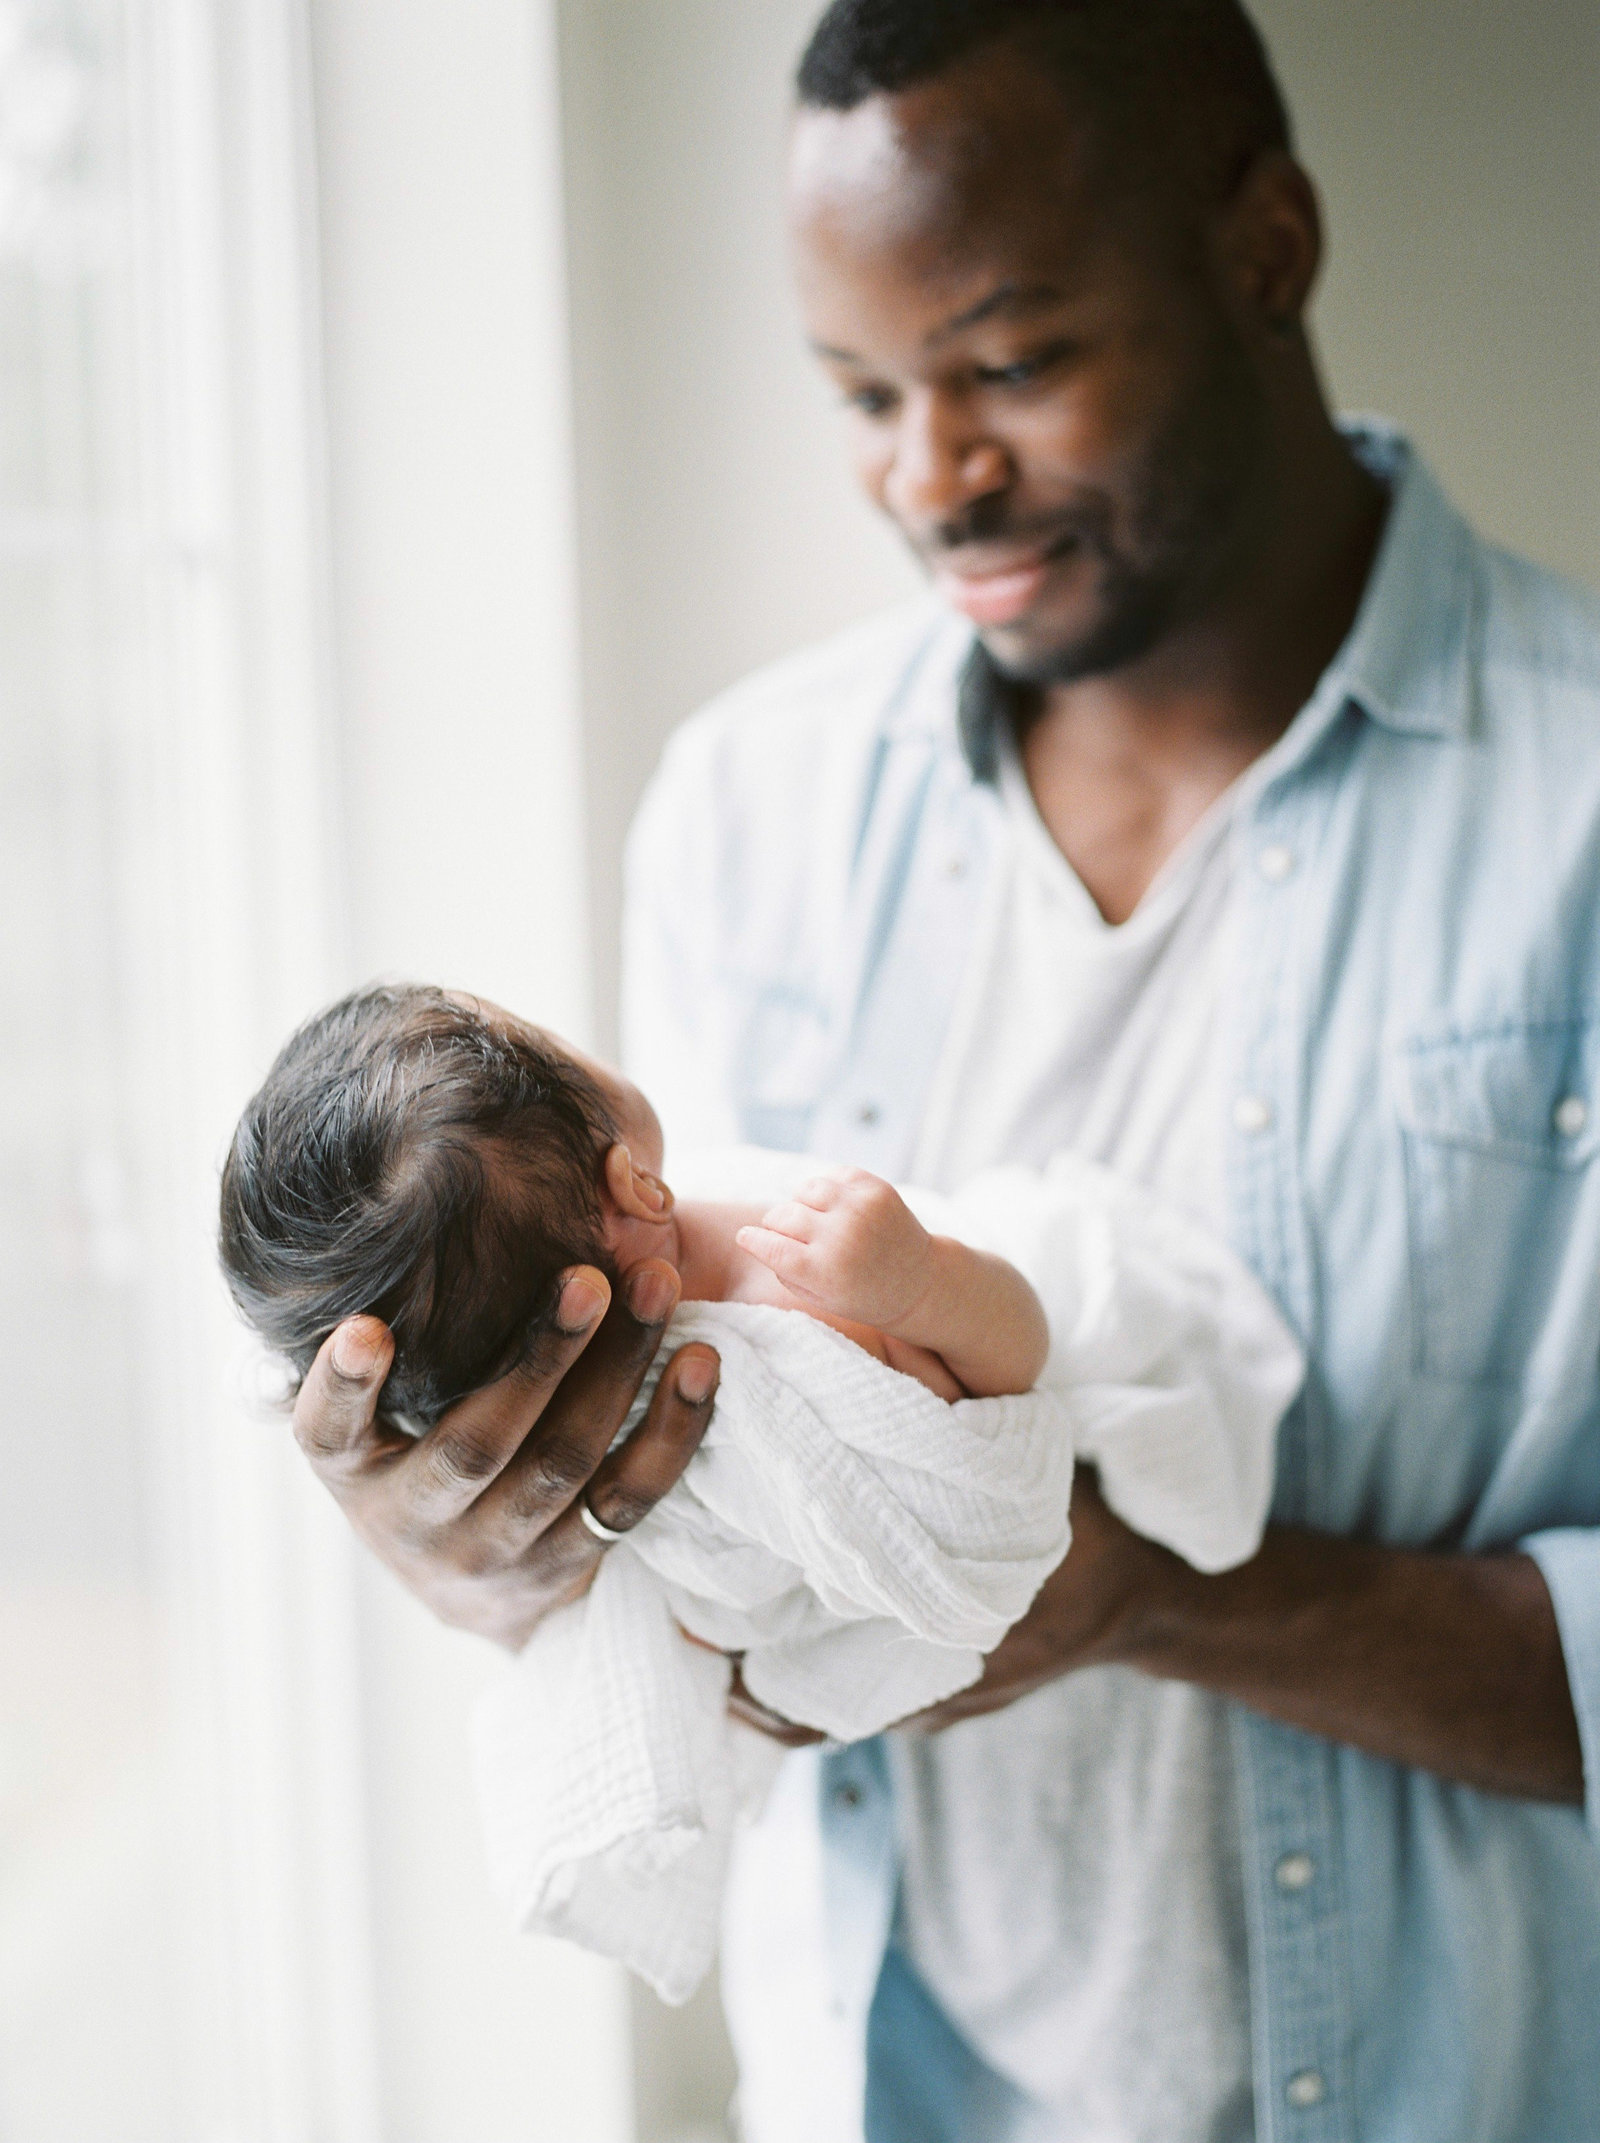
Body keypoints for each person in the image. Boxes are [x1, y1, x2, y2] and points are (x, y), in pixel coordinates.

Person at [288, 1, 1600, 2137]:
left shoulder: (1574, 810)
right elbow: (681, 1493)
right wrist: (493, 1522)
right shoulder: (747, 814)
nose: (930, 475)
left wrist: (1146, 1597)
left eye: (1006, 364)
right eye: (860, 392)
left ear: (1262, 249)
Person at [217, 980, 1049, 1416]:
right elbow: (1016, 1372)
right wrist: (922, 1284)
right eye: (551, 1038)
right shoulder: (799, 1300)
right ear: (637, 1186)